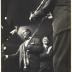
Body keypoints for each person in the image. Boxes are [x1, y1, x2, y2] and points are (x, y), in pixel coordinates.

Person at [29, 0, 71, 72]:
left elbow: (46, 8)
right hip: (68, 24)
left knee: (59, 61)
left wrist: (33, 16)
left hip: (63, 26)